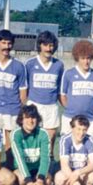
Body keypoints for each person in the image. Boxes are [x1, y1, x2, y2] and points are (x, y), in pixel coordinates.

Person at [0, 29, 27, 166]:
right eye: (3, 43)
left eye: (9, 43)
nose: (6, 47)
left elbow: (23, 92)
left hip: (12, 110)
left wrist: (21, 111)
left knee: (11, 144)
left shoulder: (19, 66)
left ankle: (10, 171)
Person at [25, 31, 64, 159]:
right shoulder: (30, 64)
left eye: (51, 45)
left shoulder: (59, 65)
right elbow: (25, 87)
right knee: (32, 137)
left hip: (51, 106)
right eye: (46, 45)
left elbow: (59, 88)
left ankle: (49, 164)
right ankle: (32, 164)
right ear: (40, 46)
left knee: (50, 138)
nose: (49, 48)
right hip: (34, 104)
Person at [60, 40, 93, 140]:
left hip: (90, 119)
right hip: (70, 117)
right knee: (67, 146)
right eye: (83, 58)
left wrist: (91, 108)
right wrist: (71, 108)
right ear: (77, 58)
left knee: (89, 149)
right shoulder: (69, 74)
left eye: (88, 58)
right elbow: (63, 96)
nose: (86, 61)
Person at [11, 104, 53, 185]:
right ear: (21, 120)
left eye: (33, 117)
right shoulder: (16, 134)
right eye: (27, 118)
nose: (30, 121)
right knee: (22, 180)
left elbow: (45, 159)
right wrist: (29, 181)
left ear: (37, 119)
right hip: (22, 169)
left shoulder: (43, 133)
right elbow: (20, 160)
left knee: (48, 180)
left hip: (37, 169)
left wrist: (40, 179)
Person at [54, 115, 93, 185]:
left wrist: (79, 172)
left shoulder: (89, 140)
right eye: (78, 129)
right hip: (68, 173)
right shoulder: (65, 140)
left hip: (82, 173)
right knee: (59, 179)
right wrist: (76, 184)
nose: (81, 133)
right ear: (72, 128)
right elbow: (64, 165)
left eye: (84, 130)